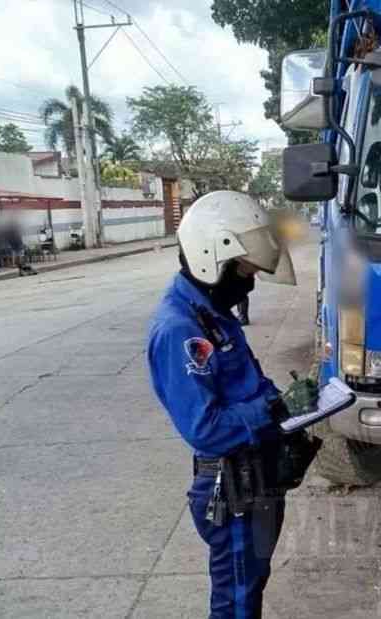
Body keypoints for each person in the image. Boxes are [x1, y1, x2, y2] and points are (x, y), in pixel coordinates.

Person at [148, 191, 313, 619]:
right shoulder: (180, 329)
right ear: (211, 256)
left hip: (254, 480)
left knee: (249, 589)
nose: (250, 281)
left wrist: (288, 403)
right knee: (236, 601)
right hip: (233, 488)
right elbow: (206, 428)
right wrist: (274, 411)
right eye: (243, 269)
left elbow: (245, 387)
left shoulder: (211, 314)